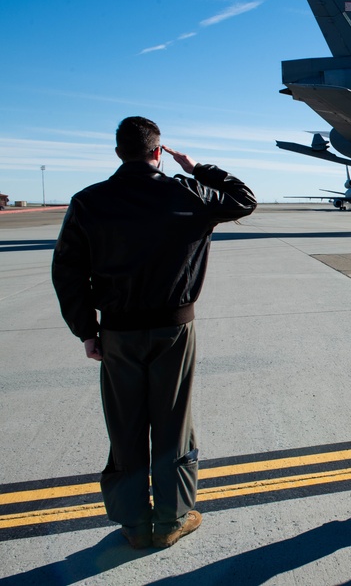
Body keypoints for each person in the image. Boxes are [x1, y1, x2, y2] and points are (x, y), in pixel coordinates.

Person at [51, 116, 256, 549]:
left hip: (118, 333)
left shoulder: (89, 201)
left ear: (118, 153)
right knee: (173, 422)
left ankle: (133, 524)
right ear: (158, 152)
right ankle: (170, 519)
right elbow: (244, 200)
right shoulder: (187, 192)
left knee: (125, 426)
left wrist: (86, 330)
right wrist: (198, 167)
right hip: (174, 329)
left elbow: (67, 272)